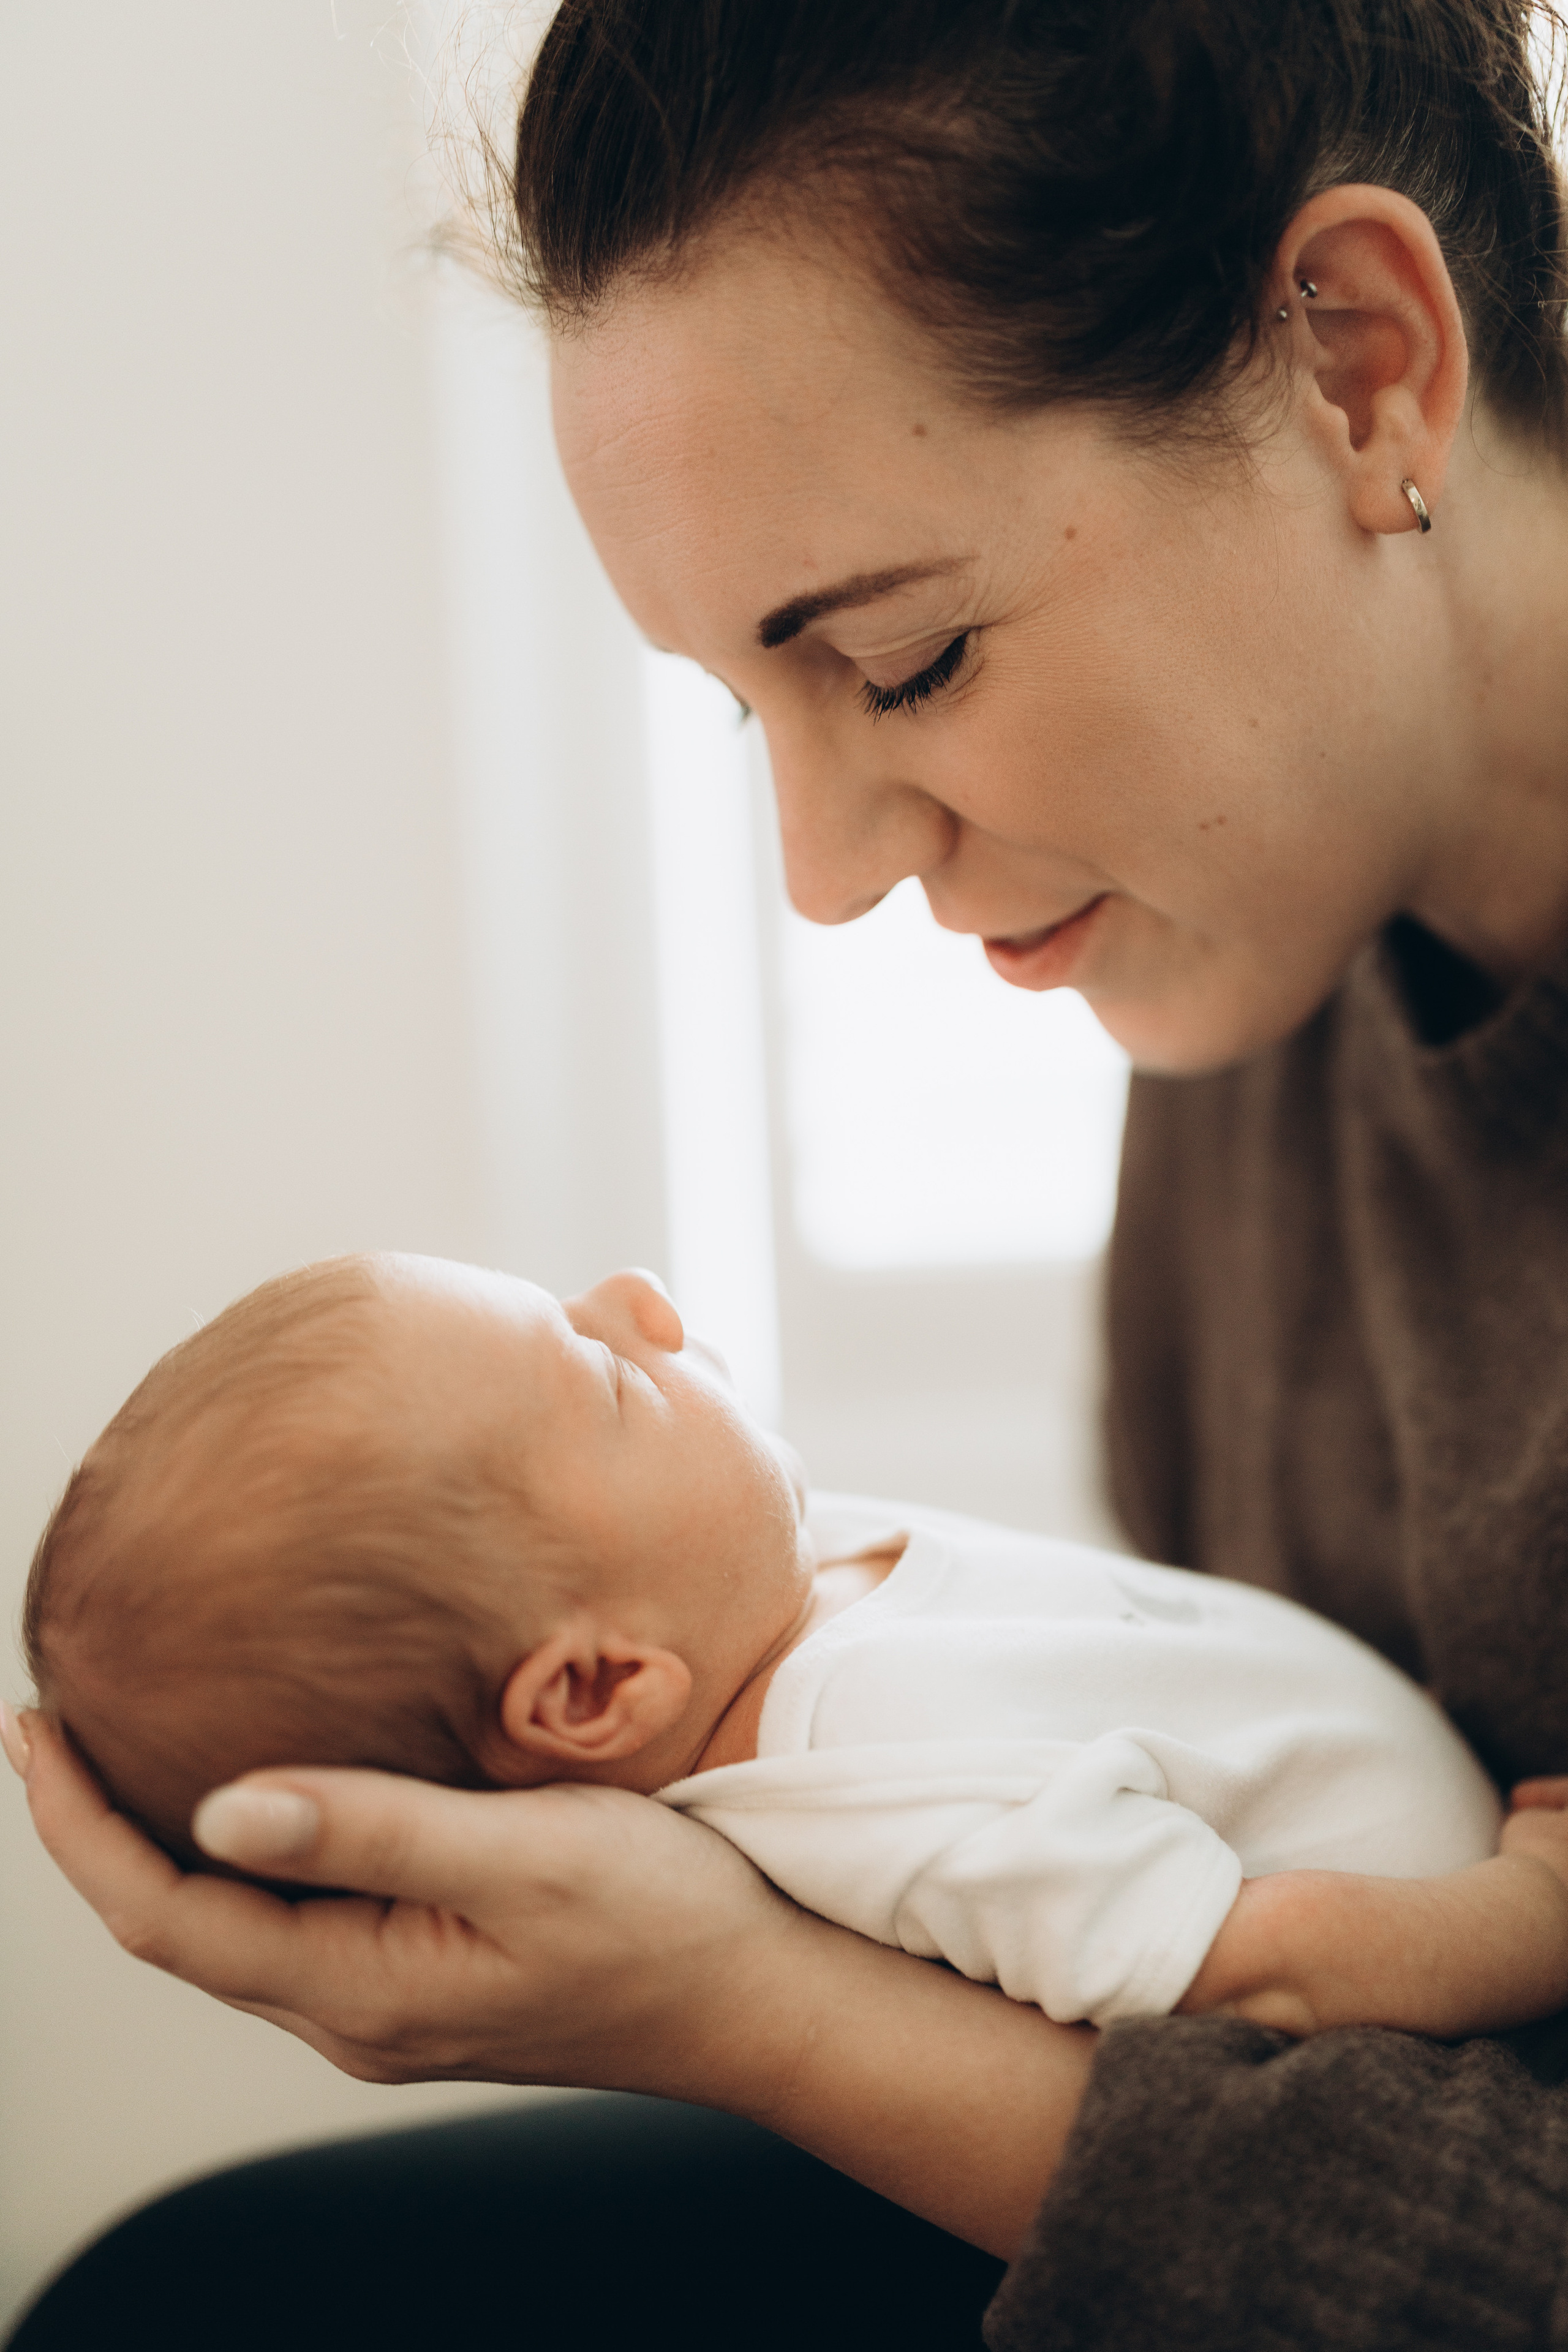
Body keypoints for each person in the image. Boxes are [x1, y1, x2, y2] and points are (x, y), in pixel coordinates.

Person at [7, 0, 1568, 2343]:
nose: (824, 872)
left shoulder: (1224, 870)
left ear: (1356, 365)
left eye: (908, 661)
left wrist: (752, 2013)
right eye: (753, 705)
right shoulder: (1257, 926)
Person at [28, 1248, 1545, 2040]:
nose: (637, 1303)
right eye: (605, 1381)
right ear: (598, 1687)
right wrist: (1528, 1913)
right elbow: (1251, 1975)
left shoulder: (755, 1587)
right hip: (1466, 2000)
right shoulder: (881, 1775)